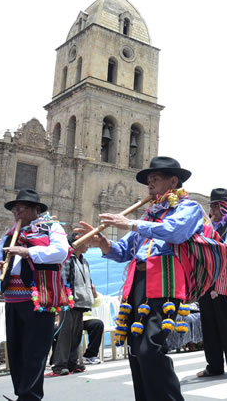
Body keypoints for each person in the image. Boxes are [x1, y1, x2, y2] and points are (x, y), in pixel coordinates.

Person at [75, 156, 208, 401]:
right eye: (149, 180)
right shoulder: (149, 215)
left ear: (173, 181)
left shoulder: (188, 208)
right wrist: (103, 243)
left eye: (156, 178)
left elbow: (174, 232)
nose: (150, 183)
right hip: (137, 284)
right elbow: (123, 251)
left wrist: (131, 224)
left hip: (164, 282)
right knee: (136, 351)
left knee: (151, 349)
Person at [0, 189, 69, 401]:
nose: (16, 211)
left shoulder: (51, 228)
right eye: (14, 208)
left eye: (21, 207)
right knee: (16, 351)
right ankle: (21, 394)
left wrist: (28, 252)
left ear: (36, 210)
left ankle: (30, 397)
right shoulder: (9, 234)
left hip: (38, 299)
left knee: (35, 352)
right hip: (12, 299)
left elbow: (62, 251)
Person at [197, 188, 227, 379]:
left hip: (226, 280)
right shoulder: (206, 227)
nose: (215, 208)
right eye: (213, 205)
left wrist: (207, 250)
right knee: (208, 324)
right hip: (207, 280)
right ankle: (214, 365)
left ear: (225, 206)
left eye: (218, 204)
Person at [50, 232, 95, 375]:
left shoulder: (84, 261)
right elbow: (64, 281)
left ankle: (73, 362)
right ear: (78, 243)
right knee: (65, 333)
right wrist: (66, 299)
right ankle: (60, 365)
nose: (88, 245)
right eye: (86, 242)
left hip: (81, 302)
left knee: (76, 333)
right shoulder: (68, 260)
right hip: (69, 302)